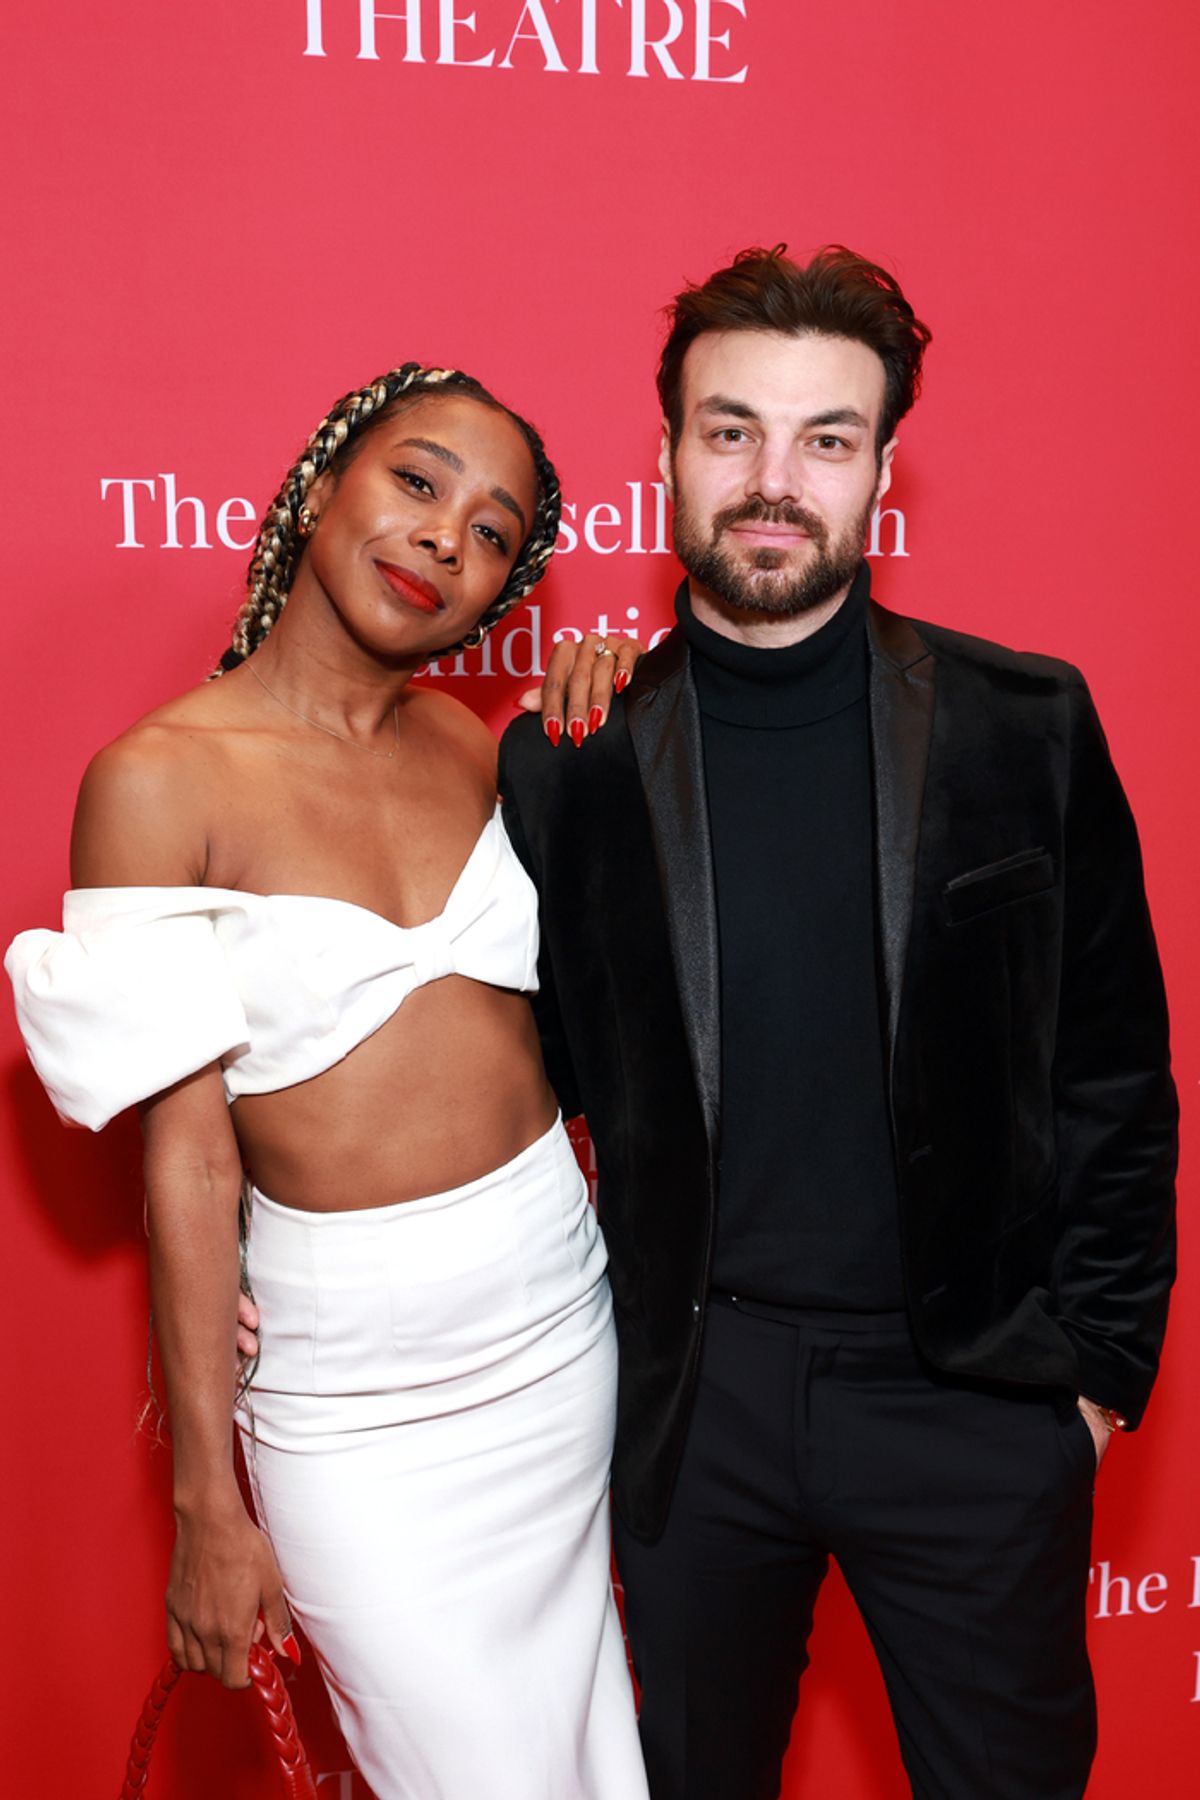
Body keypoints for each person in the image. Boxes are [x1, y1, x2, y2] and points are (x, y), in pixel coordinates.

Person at [497, 247, 1179, 1800]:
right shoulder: (571, 765)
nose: (772, 482)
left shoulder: (1030, 724)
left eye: (825, 439)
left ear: (880, 467)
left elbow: (1115, 1081)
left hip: (973, 1404)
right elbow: (515, 1087)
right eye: (730, 431)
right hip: (697, 1407)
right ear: (667, 450)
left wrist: (1084, 1387)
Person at [6, 362, 649, 1800]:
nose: (444, 539)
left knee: (598, 1759)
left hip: (562, 1327)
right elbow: (187, 1162)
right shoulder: (160, 779)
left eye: (492, 532)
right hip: (358, 1400)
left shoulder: (480, 749)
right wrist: (203, 1508)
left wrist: (616, 710)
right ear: (319, 488)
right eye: (417, 483)